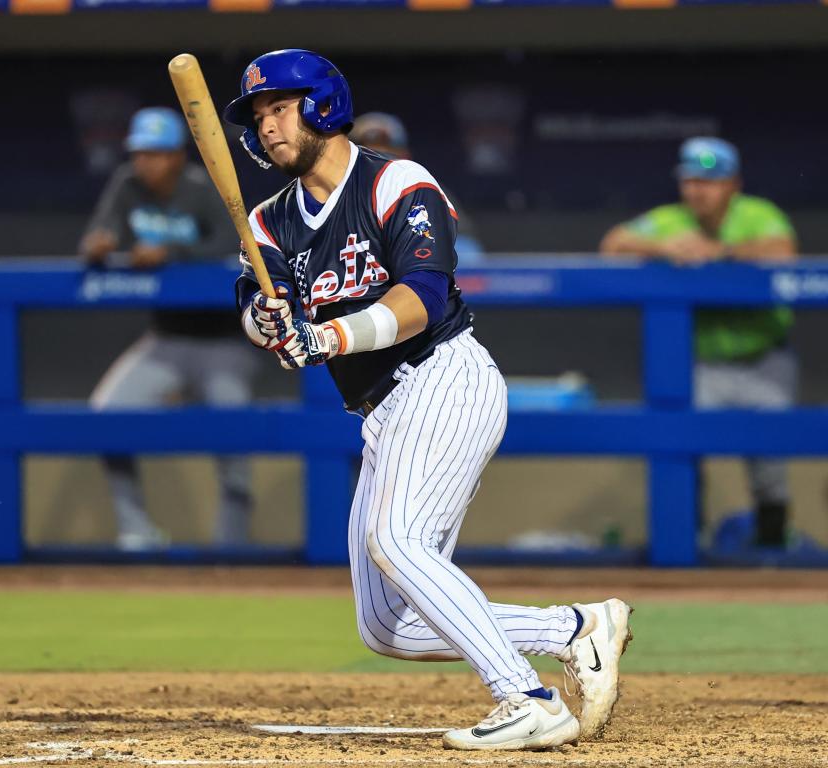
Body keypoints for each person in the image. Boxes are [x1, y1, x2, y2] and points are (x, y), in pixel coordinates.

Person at [225, 49, 632, 751]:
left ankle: (526, 698)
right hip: (380, 411)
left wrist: (328, 338)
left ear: (323, 106)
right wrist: (266, 324)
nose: (267, 126)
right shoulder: (268, 223)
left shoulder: (393, 181)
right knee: (386, 626)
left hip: (443, 375)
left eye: (280, 109)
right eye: (259, 116)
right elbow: (261, 307)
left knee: (396, 541)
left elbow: (423, 296)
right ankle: (576, 629)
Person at [600, 137, 798, 548]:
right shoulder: (670, 221)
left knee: (770, 464)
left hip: (765, 360)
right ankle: (690, 550)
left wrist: (720, 251)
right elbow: (613, 244)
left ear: (733, 185)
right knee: (682, 455)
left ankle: (773, 556)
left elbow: (783, 251)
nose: (697, 190)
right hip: (703, 364)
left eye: (709, 181)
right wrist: (662, 247)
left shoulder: (757, 214)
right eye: (690, 180)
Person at [81, 106, 255, 551]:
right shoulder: (128, 184)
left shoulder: (202, 187)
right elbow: (100, 231)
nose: (145, 162)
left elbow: (232, 244)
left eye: (156, 153)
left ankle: (231, 550)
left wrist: (172, 250)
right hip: (165, 339)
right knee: (107, 417)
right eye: (140, 153)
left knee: (234, 439)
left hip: (223, 340)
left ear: (178, 155)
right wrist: (98, 245)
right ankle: (136, 530)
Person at [348, 112, 487, 265]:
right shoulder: (334, 193)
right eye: (369, 154)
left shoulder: (425, 189)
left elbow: (468, 252)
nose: (378, 162)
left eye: (386, 154)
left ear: (405, 155)